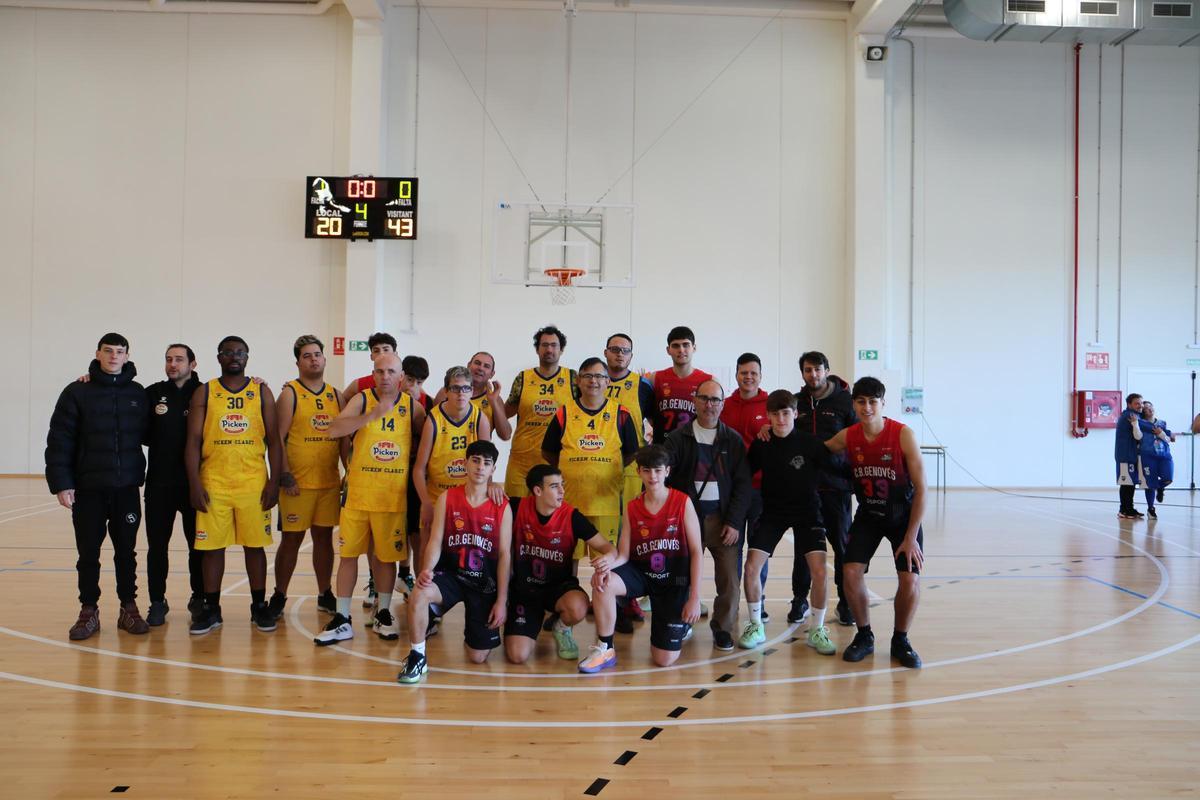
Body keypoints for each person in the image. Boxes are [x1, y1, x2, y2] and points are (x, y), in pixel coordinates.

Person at [315, 353, 426, 645]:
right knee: (348, 556)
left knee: (386, 559)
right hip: (357, 495)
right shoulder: (362, 400)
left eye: (391, 371)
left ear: (401, 376)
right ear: (373, 374)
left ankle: (384, 612)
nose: (385, 376)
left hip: (392, 498)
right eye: (379, 371)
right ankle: (342, 618)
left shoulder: (412, 407)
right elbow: (333, 429)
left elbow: (427, 438)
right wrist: (370, 416)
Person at [46, 333, 150, 640]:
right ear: (98, 354)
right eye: (109, 351)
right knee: (88, 553)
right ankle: (88, 611)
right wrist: (62, 483)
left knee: (126, 552)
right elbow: (59, 439)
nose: (114, 356)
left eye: (120, 352)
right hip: (88, 489)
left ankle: (128, 608)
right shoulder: (77, 392)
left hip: (126, 489)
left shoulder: (138, 393)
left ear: (127, 357)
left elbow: (156, 430)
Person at [823, 377, 926, 669]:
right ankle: (864, 635)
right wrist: (782, 432)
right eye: (860, 401)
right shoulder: (849, 436)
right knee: (850, 572)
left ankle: (900, 640)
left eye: (872, 401)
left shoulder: (902, 435)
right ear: (853, 404)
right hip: (868, 514)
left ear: (883, 403)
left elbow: (922, 489)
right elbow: (819, 449)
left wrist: (911, 537)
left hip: (902, 516)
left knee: (910, 578)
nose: (866, 407)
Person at [185, 336, 282, 635]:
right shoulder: (206, 391)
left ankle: (258, 606)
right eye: (228, 352)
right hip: (214, 481)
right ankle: (212, 609)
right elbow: (193, 441)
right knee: (212, 549)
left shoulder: (261, 392)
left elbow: (275, 441)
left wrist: (273, 482)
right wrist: (194, 483)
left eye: (240, 352)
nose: (234, 357)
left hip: (253, 482)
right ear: (219, 357)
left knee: (255, 546)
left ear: (248, 357)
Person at [579, 445, 703, 672]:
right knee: (603, 583)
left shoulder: (682, 503)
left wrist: (694, 596)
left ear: (667, 471)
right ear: (639, 472)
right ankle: (605, 648)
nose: (652, 476)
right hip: (642, 574)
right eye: (647, 470)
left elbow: (696, 551)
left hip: (673, 581)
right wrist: (606, 565)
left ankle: (681, 626)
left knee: (663, 660)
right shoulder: (632, 507)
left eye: (657, 470)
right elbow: (624, 554)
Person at [398, 441, 512, 683]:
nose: (480, 467)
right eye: (475, 460)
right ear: (465, 464)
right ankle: (417, 657)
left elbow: (504, 556)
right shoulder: (447, 498)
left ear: (493, 470)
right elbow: (435, 541)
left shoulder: (502, 506)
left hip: (484, 583)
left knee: (478, 656)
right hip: (452, 575)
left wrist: (502, 601)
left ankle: (473, 629)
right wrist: (426, 570)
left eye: (487, 463)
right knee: (419, 592)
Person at [742, 390, 835, 655]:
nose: (780, 419)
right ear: (768, 416)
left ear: (795, 413)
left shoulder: (811, 444)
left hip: (808, 513)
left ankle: (817, 629)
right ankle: (755, 624)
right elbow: (745, 474)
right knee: (751, 568)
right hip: (773, 513)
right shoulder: (762, 442)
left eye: (785, 413)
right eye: (775, 414)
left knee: (819, 571)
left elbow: (835, 469)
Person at [662, 379, 752, 652]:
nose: (709, 405)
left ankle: (723, 629)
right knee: (681, 576)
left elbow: (743, 485)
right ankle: (683, 621)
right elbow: (663, 474)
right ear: (695, 401)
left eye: (715, 400)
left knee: (729, 580)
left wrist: (735, 522)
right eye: (704, 398)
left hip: (723, 521)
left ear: (722, 404)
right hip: (688, 520)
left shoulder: (733, 440)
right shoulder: (678, 438)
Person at [504, 464, 617, 663]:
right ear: (538, 491)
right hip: (525, 590)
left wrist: (606, 559)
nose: (562, 491)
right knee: (517, 656)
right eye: (555, 486)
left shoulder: (572, 516)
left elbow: (608, 548)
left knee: (578, 606)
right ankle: (525, 625)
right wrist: (492, 487)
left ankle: (561, 627)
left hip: (558, 589)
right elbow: (483, 500)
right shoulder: (515, 507)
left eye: (562, 485)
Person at [269, 335, 344, 620]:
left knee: (324, 540)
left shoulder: (336, 395)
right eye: (307, 355)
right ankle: (279, 594)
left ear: (325, 359)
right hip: (296, 485)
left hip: (327, 483)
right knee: (291, 541)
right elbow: (277, 438)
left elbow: (345, 440)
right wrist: (284, 474)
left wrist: (348, 471)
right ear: (298, 362)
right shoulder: (290, 394)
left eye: (317, 354)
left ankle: (325, 593)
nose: (313, 359)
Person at [540, 357, 640, 562]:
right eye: (587, 376)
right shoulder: (564, 412)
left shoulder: (621, 414)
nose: (593, 381)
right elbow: (548, 452)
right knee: (567, 561)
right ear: (578, 380)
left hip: (606, 504)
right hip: (569, 502)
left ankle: (604, 595)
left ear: (607, 381)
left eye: (599, 376)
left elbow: (631, 454)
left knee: (606, 562)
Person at [790, 351, 858, 626]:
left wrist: (854, 480)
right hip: (806, 489)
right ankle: (799, 600)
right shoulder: (798, 401)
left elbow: (855, 439)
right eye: (808, 370)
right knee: (803, 549)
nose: (813, 375)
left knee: (843, 549)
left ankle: (846, 603)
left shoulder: (845, 401)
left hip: (837, 489)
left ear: (827, 370)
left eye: (818, 369)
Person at [142, 343, 204, 626]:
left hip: (195, 485)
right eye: (168, 359)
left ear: (193, 364)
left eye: (179, 359)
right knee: (157, 547)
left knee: (198, 547)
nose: (172, 364)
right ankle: (157, 600)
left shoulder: (207, 393)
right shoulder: (153, 393)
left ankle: (199, 598)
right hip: (159, 484)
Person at [603, 333, 657, 627]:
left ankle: (627, 598)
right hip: (595, 468)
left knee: (629, 535)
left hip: (630, 469)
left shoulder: (642, 386)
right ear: (606, 352)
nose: (619, 354)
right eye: (614, 349)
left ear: (631, 357)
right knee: (601, 537)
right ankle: (601, 592)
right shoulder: (593, 379)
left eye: (625, 351)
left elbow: (655, 424)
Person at [719, 352, 770, 621]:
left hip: (763, 490)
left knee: (758, 550)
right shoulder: (725, 405)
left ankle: (757, 601)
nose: (748, 377)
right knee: (733, 550)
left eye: (753, 373)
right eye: (743, 373)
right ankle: (735, 601)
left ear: (760, 376)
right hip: (733, 491)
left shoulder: (771, 405)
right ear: (736, 375)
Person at [413, 366, 493, 535]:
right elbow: (419, 469)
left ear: (471, 391)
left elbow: (487, 465)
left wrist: (489, 489)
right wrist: (425, 503)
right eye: (455, 388)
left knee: (464, 554)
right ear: (446, 391)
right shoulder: (433, 420)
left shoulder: (480, 419)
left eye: (465, 388)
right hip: (437, 496)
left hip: (468, 497)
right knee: (426, 551)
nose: (461, 393)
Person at [503, 325, 577, 498]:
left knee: (550, 517)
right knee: (516, 513)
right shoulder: (523, 378)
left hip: (556, 460)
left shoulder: (573, 379)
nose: (549, 349)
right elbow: (506, 412)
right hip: (522, 460)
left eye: (554, 345)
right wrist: (492, 401)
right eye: (544, 345)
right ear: (537, 349)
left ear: (561, 349)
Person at [649, 326, 712, 443]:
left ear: (694, 348)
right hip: (663, 445)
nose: (681, 350)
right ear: (668, 350)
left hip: (695, 446)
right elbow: (649, 414)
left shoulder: (709, 381)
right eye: (676, 345)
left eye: (686, 345)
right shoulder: (655, 378)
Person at [433, 352, 512, 441]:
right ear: (468, 365)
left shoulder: (495, 399)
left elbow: (506, 436)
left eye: (486, 366)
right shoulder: (446, 392)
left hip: (478, 453)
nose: (480, 368)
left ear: (492, 374)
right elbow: (432, 428)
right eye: (477, 363)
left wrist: (493, 402)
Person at [1115, 393, 1158, 520]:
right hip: (1125, 455)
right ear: (1129, 404)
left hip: (1131, 455)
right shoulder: (1130, 415)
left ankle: (1129, 508)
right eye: (1137, 403)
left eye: (1141, 403)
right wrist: (1163, 431)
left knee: (1131, 483)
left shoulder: (1136, 415)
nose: (1140, 406)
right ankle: (1124, 510)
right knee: (1127, 483)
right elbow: (1146, 426)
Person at [1139, 401, 1174, 519]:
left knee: (1168, 479)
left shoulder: (1162, 422)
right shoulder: (1141, 423)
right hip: (1148, 455)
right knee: (1150, 484)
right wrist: (1166, 434)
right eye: (1146, 409)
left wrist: (1168, 434)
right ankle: (1151, 508)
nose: (1150, 410)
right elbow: (1160, 431)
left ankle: (1160, 488)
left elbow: (1168, 435)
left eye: (1151, 407)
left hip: (1164, 454)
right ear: (1143, 412)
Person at [341, 332, 398, 402]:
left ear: (395, 354)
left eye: (386, 350)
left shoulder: (405, 382)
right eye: (376, 351)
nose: (381, 354)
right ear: (371, 356)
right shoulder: (359, 384)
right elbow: (340, 403)